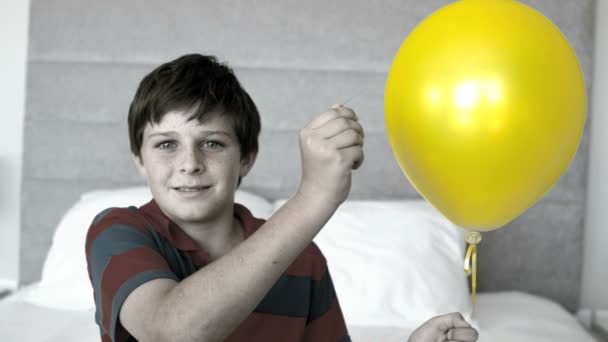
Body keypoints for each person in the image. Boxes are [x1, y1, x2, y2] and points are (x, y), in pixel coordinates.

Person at [85, 53, 478, 342]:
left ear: (247, 159)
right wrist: (312, 199)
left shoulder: (302, 258)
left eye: (212, 143)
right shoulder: (118, 230)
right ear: (140, 160)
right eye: (166, 144)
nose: (190, 163)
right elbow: (173, 332)